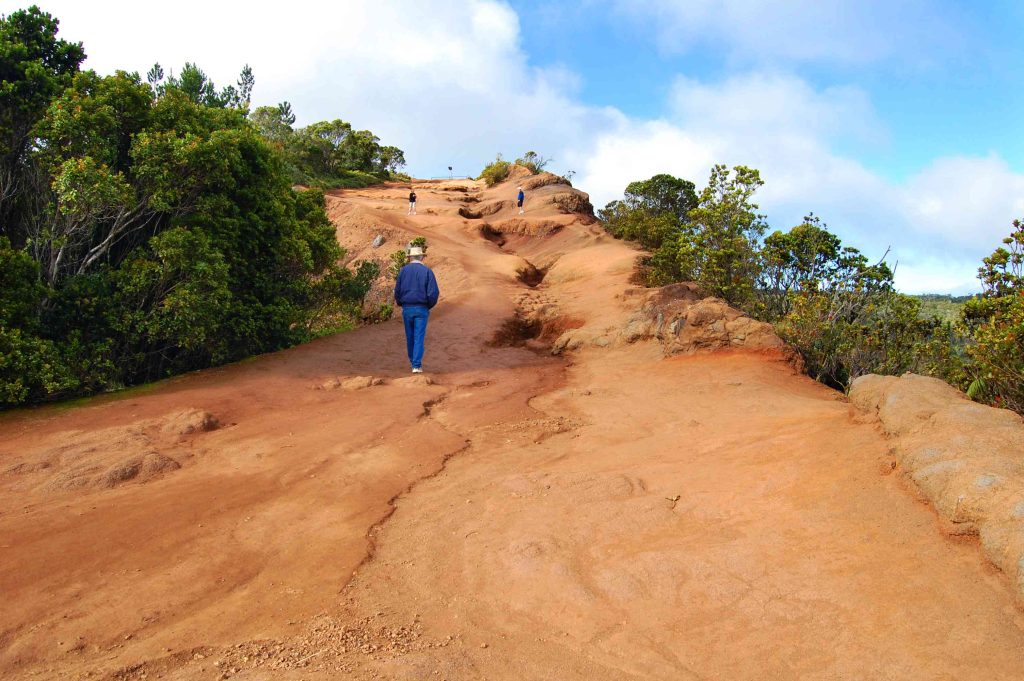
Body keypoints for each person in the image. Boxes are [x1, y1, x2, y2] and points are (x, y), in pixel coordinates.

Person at [394, 245, 439, 373]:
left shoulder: (403, 271)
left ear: (410, 258)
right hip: (421, 308)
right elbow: (433, 293)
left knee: (410, 336)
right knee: (419, 336)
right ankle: (416, 365)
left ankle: (413, 362)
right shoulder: (427, 271)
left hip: (407, 308)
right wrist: (427, 305)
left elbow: (397, 291)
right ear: (422, 257)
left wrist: (401, 303)